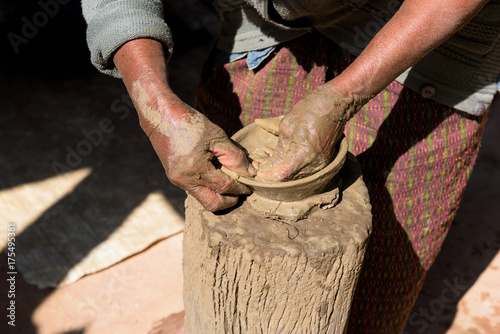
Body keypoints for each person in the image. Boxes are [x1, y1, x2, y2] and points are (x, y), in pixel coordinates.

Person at [82, 0, 499, 333]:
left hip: (433, 31)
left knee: (378, 273)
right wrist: (153, 106)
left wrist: (343, 97)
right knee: (223, 245)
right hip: (275, 20)